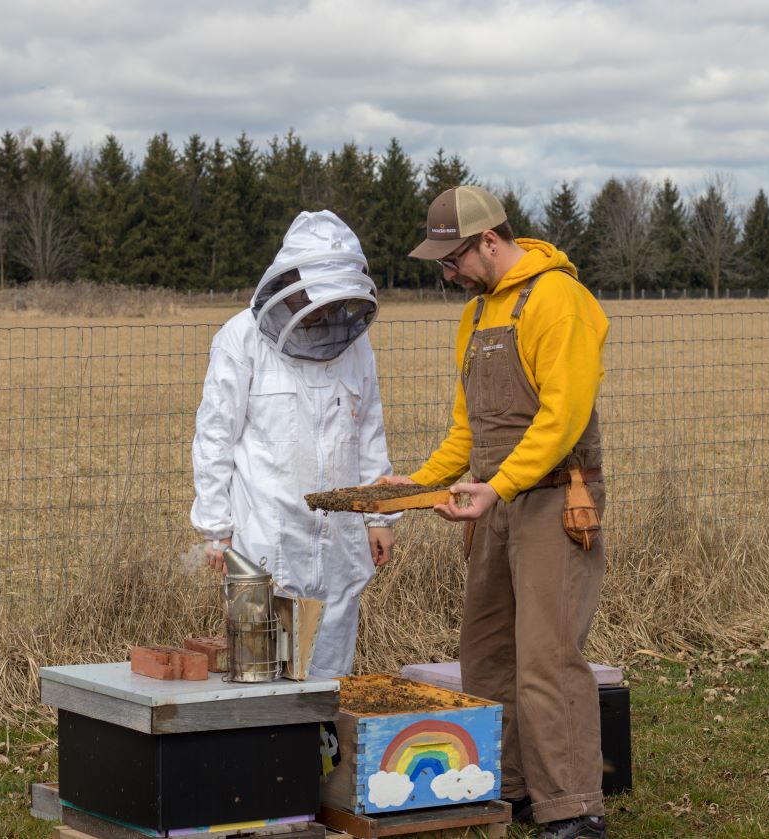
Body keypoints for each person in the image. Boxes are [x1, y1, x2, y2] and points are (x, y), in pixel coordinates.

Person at [383, 186, 609, 839]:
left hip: (556, 500)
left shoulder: (556, 300)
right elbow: (467, 429)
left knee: (547, 654)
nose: (446, 273)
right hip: (497, 499)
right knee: (484, 654)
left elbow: (561, 418)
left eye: (452, 258)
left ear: (489, 240)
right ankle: (509, 790)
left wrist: (497, 487)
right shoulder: (479, 314)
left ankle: (574, 808)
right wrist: (419, 483)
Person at [190, 210, 397, 678]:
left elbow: (368, 431)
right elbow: (214, 437)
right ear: (291, 279)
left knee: (330, 672)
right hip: (267, 532)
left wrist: (380, 516)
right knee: (261, 671)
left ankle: (322, 752)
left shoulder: (354, 344)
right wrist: (216, 531)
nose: (325, 308)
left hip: (340, 538)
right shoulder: (240, 339)